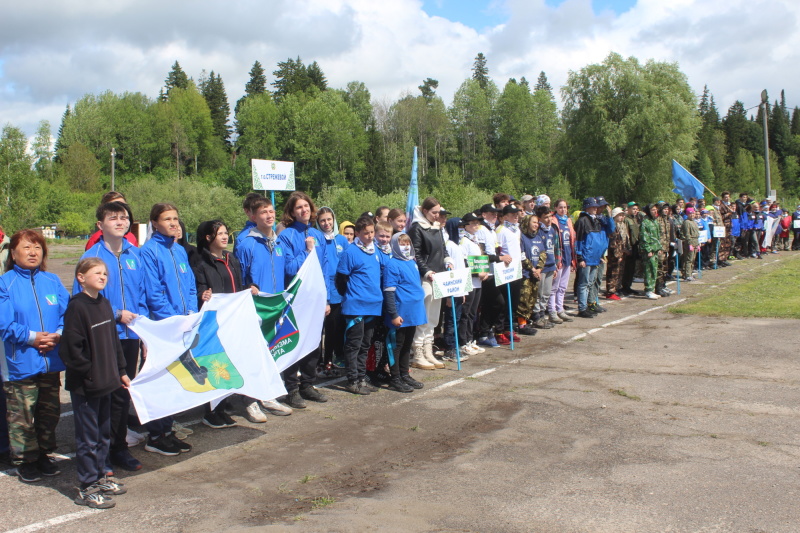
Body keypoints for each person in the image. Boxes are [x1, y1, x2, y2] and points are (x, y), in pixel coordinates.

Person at [78, 201, 147, 472]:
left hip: (131, 336)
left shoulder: (135, 254)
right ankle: (101, 453)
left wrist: (144, 332)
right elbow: (82, 301)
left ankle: (119, 447)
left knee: (122, 393)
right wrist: (116, 314)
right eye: (113, 218)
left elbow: (142, 294)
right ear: (100, 225)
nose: (120, 222)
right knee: (104, 395)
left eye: (124, 218)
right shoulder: (92, 257)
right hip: (105, 337)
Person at [0, 230, 69, 483]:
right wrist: (33, 338)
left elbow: (66, 314)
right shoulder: (4, 283)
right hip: (20, 363)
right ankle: (25, 460)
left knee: (48, 412)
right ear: (14, 253)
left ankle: (44, 454)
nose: (33, 252)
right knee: (22, 415)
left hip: (50, 360)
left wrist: (58, 335)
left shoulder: (52, 281)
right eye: (27, 247)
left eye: (38, 247)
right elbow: (4, 323)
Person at [61, 257, 129, 508]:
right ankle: (87, 487)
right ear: (81, 277)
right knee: (88, 439)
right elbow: (71, 350)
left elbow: (114, 343)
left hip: (108, 382)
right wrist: (89, 373)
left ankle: (100, 476)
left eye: (105, 274)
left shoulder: (104, 304)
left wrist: (120, 370)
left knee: (102, 435)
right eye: (97, 273)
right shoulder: (77, 307)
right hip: (87, 386)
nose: (103, 277)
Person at [139, 203, 196, 456]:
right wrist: (173, 322)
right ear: (154, 223)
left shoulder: (179, 251)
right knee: (160, 380)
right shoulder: (149, 252)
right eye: (167, 219)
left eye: (175, 218)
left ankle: (168, 430)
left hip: (182, 324)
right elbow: (154, 293)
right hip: (164, 328)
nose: (173, 223)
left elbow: (191, 285)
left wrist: (191, 314)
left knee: (175, 379)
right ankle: (155, 435)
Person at [193, 220, 260, 426]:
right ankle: (210, 411)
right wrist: (201, 295)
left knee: (229, 363)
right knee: (215, 363)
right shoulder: (200, 263)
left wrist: (249, 288)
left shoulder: (232, 259)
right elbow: (198, 291)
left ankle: (222, 406)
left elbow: (238, 286)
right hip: (214, 321)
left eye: (225, 233)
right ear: (208, 238)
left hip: (233, 320)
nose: (224, 237)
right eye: (220, 234)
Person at [233, 196, 293, 418]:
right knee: (253, 353)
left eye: (271, 211)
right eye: (263, 212)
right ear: (253, 216)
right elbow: (241, 276)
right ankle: (250, 400)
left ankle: (268, 395)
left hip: (276, 306)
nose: (269, 215)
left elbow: (286, 269)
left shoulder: (278, 242)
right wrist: (248, 287)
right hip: (256, 307)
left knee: (272, 352)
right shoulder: (246, 242)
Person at [277, 192, 330, 408]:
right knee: (294, 342)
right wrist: (307, 252)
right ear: (291, 212)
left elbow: (325, 268)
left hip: (315, 298)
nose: (304, 210)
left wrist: (326, 298)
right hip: (295, 298)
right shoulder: (286, 236)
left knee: (313, 342)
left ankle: (308, 384)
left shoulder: (318, 235)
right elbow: (288, 268)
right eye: (298, 207)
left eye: (306, 206)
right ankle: (291, 389)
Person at [336, 215, 384, 394]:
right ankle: (352, 379)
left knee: (366, 343)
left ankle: (362, 377)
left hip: (373, 304)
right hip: (356, 305)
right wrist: (350, 295)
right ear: (357, 233)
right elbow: (341, 278)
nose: (370, 236)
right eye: (366, 233)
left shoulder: (375, 251)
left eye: (372, 232)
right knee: (354, 344)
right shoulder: (350, 252)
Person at [409, 197, 452, 369]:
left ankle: (428, 350)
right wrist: (426, 271)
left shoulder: (436, 227)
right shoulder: (417, 228)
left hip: (439, 276)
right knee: (424, 315)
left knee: (434, 316)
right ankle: (418, 351)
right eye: (434, 212)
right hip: (426, 278)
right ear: (425, 211)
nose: (437, 215)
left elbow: (443, 247)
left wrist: (448, 259)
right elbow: (416, 254)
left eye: (438, 212)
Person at [382, 233, 426, 392]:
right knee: (396, 346)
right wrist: (393, 314)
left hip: (413, 313)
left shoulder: (412, 262)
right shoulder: (392, 264)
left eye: (408, 243)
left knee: (407, 345)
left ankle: (404, 374)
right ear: (395, 246)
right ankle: (395, 378)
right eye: (402, 244)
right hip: (400, 313)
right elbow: (389, 291)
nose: (406, 247)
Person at [316, 207, 349, 376]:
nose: (327, 223)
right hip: (322, 289)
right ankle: (321, 360)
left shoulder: (342, 240)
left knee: (336, 328)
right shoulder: (317, 239)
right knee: (322, 330)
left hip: (339, 291)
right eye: (323, 220)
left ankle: (333, 358)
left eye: (329, 219)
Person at [457, 213, 488, 354]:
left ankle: (470, 339)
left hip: (478, 282)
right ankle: (463, 342)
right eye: (473, 223)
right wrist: (477, 273)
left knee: (472, 313)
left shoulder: (476, 240)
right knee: (466, 313)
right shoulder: (464, 241)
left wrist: (484, 272)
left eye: (477, 223)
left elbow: (480, 260)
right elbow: (463, 263)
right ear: (465, 226)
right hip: (470, 282)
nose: (476, 226)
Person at [495, 204, 523, 341]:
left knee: (514, 301)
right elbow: (498, 250)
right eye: (512, 215)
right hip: (505, 270)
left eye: (517, 214)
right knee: (504, 301)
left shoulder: (516, 230)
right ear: (505, 217)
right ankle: (499, 330)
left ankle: (509, 327)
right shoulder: (501, 230)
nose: (516, 217)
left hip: (516, 269)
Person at [518, 214, 544, 332]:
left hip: (536, 274)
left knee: (533, 298)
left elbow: (543, 254)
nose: (536, 225)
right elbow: (522, 255)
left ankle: (528, 320)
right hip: (526, 274)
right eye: (533, 222)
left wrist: (539, 268)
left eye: (537, 222)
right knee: (524, 299)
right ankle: (522, 323)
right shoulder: (522, 237)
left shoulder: (538, 237)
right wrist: (532, 269)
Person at [605, 207, 630, 300]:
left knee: (618, 273)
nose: (622, 217)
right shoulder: (612, 227)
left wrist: (623, 251)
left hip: (620, 253)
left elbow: (621, 241)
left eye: (622, 215)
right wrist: (617, 255)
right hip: (614, 255)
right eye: (619, 215)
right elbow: (613, 243)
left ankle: (616, 289)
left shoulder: (620, 226)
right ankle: (610, 291)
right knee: (613, 273)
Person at [639, 204, 662, 300]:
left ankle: (652, 289)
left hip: (655, 249)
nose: (655, 211)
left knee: (654, 269)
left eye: (656, 210)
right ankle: (648, 290)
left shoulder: (655, 221)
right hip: (649, 250)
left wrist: (659, 248)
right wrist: (648, 250)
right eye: (653, 210)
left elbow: (657, 237)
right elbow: (644, 238)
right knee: (649, 270)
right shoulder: (645, 222)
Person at [681, 208, 700, 281]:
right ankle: (687, 274)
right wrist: (689, 244)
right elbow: (687, 234)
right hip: (690, 241)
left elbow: (697, 233)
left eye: (693, 213)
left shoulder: (694, 222)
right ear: (687, 214)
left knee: (693, 259)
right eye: (690, 213)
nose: (692, 215)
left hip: (695, 241)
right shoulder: (687, 222)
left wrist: (698, 244)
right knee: (689, 259)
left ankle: (690, 272)